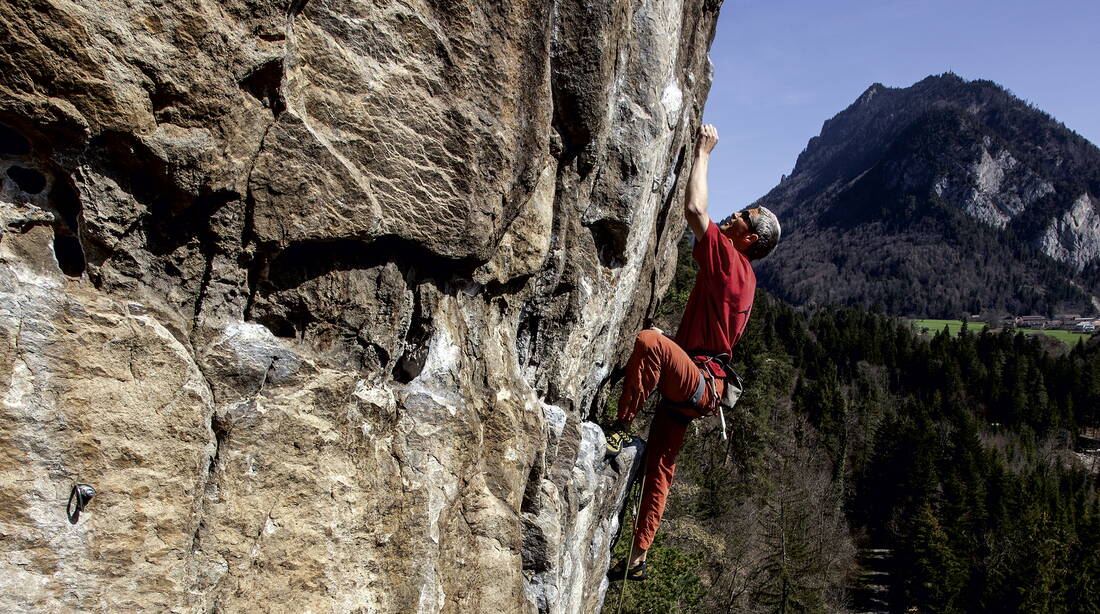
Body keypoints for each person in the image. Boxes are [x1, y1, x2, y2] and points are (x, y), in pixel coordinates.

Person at [605, 124, 781, 581]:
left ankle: (620, 428)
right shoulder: (744, 275)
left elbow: (694, 208)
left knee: (649, 342)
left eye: (742, 216)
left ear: (749, 239)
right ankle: (640, 556)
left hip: (699, 380)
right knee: (661, 462)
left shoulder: (732, 263)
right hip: (703, 386)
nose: (733, 216)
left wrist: (703, 151)